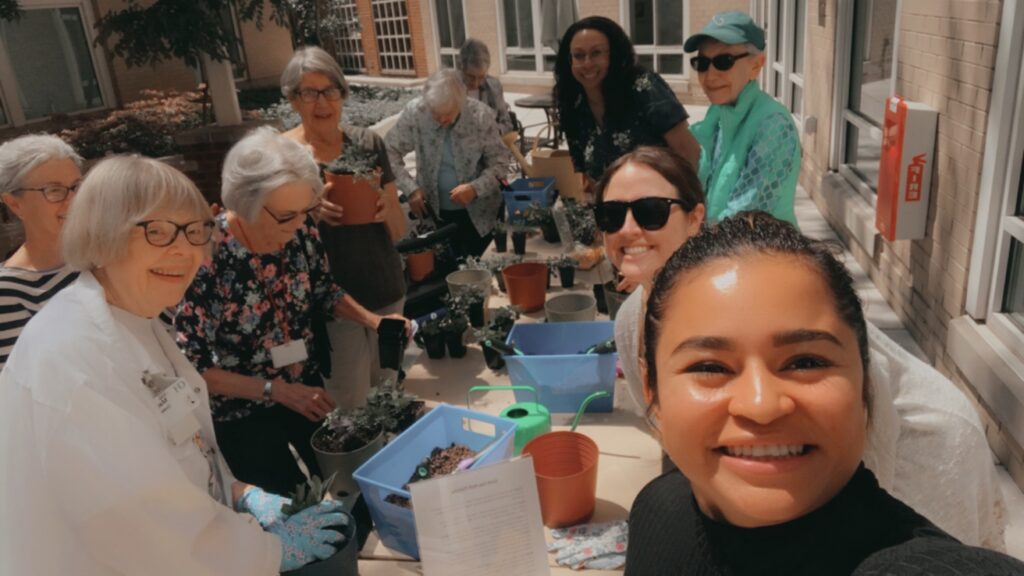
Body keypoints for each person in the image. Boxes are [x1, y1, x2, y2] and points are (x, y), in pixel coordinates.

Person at [600, 149, 1006, 549]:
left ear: (695, 217)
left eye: (651, 210)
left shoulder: (778, 295)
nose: (629, 229)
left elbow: (865, 466)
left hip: (909, 459)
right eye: (611, 216)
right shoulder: (631, 321)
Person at [0, 155, 346, 575]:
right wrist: (267, 551)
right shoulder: (73, 358)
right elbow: (145, 529)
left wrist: (238, 491)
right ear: (101, 234)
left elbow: (180, 441)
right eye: (158, 231)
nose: (184, 250)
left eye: (195, 230)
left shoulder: (139, 318)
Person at [175, 128, 410, 495]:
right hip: (243, 412)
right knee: (290, 504)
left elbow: (323, 288)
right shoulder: (206, 258)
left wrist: (375, 321)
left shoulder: (299, 232)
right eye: (288, 216)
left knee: (344, 483)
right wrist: (275, 391)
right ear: (245, 203)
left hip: (304, 387)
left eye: (307, 211)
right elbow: (195, 366)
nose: (301, 224)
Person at [280, 46, 407, 409]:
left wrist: (385, 209)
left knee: (387, 394)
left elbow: (398, 230)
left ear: (342, 94)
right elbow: (268, 235)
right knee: (349, 404)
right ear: (292, 99)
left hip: (385, 287)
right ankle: (356, 466)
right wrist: (307, 214)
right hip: (332, 302)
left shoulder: (368, 144)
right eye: (309, 92)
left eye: (330, 91)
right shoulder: (284, 155)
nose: (322, 102)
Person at [554, 16, 700, 191]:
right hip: (614, 207)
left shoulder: (643, 87)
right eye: (579, 56)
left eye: (596, 53)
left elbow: (689, 152)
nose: (587, 63)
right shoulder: (573, 105)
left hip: (662, 202)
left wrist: (685, 204)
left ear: (614, 54)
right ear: (569, 60)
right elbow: (587, 177)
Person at [684, 11, 801, 226]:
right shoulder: (718, 113)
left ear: (756, 66)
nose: (709, 76)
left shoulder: (773, 125)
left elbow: (743, 219)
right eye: (702, 63)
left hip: (765, 255)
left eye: (723, 61)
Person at [385, 68, 508, 258]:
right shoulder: (416, 112)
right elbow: (389, 151)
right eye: (436, 114)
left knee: (480, 270)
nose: (442, 120)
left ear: (461, 103)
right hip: (435, 214)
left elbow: (500, 163)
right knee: (445, 271)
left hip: (480, 215)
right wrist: (411, 188)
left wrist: (475, 188)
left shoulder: (480, 116)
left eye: (448, 114)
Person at [0, 134, 82, 370]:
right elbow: (21, 388)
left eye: (76, 186)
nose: (73, 200)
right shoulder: (7, 293)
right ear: (14, 204)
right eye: (54, 190)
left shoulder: (107, 256)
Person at [459, 38, 515, 135]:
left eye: (481, 77)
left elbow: (507, 123)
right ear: (461, 68)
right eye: (471, 77)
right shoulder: (451, 89)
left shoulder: (493, 87)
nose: (476, 83)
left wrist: (496, 130)